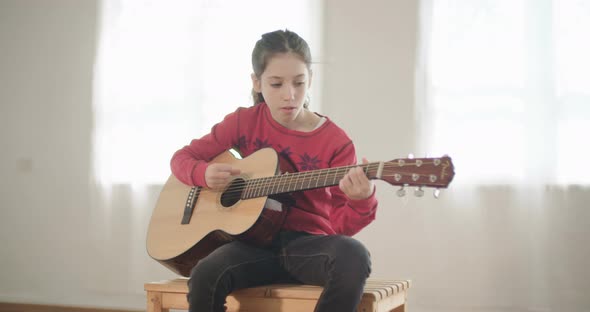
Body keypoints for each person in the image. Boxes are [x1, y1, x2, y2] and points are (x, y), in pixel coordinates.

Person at [170, 29, 378, 312]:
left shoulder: (335, 142)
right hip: (250, 245)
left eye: (299, 83)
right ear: (257, 82)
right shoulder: (244, 121)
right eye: (276, 84)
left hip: (308, 247)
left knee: (354, 256)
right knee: (206, 272)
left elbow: (340, 227)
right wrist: (202, 174)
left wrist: (361, 199)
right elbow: (183, 158)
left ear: (310, 81)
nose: (290, 95)